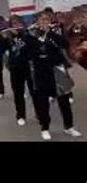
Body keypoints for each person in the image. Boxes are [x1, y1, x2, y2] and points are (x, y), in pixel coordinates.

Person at [26, 11, 82, 140]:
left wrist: (49, 34)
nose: (45, 22)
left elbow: (64, 44)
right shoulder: (31, 35)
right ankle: (45, 128)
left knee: (64, 101)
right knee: (43, 102)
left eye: (47, 19)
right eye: (42, 20)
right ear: (37, 22)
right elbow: (31, 49)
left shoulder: (54, 33)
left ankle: (69, 127)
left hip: (56, 70)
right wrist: (41, 37)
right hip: (41, 72)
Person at [1, 16, 37, 126]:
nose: (15, 25)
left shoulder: (28, 34)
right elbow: (4, 49)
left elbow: (31, 46)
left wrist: (19, 34)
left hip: (28, 66)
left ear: (22, 23)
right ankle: (21, 115)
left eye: (17, 23)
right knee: (18, 93)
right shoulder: (9, 36)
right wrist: (3, 38)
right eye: (13, 24)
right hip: (15, 68)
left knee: (34, 91)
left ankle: (39, 113)